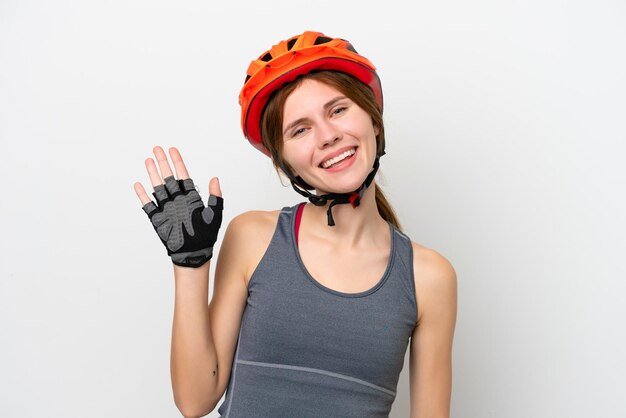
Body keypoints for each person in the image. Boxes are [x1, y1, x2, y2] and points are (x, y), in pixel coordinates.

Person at [134, 31, 457, 418]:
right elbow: (195, 399)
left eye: (338, 110)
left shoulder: (429, 277)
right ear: (284, 161)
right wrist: (191, 265)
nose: (328, 136)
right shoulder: (253, 237)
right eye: (300, 129)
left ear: (373, 120)